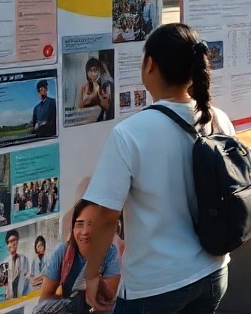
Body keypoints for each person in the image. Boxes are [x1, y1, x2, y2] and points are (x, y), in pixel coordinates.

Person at [81, 24, 236, 314]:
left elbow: (105, 217)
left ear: (150, 64)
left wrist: (91, 274)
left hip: (154, 285)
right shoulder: (218, 119)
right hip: (213, 270)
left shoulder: (130, 133)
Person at [40, 199, 121, 303]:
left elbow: (110, 297)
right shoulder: (62, 252)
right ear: (73, 228)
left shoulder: (110, 253)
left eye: (91, 224)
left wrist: (97, 281)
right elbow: (44, 300)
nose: (85, 231)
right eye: (79, 224)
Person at [78, 57, 114, 122]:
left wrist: (98, 94)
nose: (93, 74)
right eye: (91, 71)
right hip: (85, 121)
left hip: (98, 121)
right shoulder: (83, 87)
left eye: (96, 70)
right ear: (87, 72)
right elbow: (80, 107)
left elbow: (107, 107)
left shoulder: (103, 85)